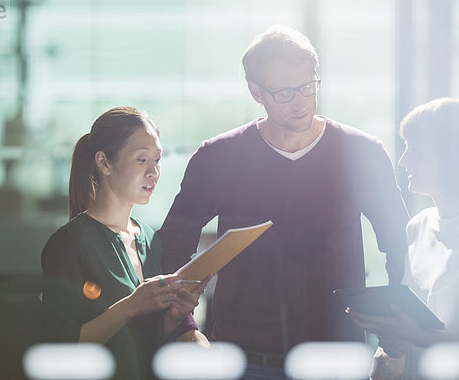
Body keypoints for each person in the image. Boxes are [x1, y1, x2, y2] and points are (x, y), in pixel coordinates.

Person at [157, 25, 409, 379]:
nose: (301, 102)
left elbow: (401, 246)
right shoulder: (219, 156)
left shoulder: (361, 153)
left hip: (336, 358)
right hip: (241, 359)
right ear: (256, 92)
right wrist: (183, 327)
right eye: (285, 93)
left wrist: (394, 339)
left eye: (308, 86)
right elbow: (170, 247)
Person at [41, 106, 211, 380]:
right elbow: (59, 347)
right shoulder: (69, 244)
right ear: (104, 163)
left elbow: (144, 338)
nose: (154, 172)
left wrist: (175, 315)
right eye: (141, 159)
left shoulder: (150, 239)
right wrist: (130, 306)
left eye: (157, 159)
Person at [348, 98, 459, 380]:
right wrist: (393, 334)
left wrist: (414, 335)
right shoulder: (418, 225)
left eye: (416, 150)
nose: (403, 160)